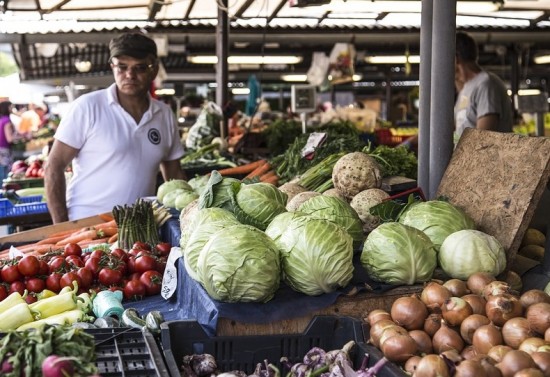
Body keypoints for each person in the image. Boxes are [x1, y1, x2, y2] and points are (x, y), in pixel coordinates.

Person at [44, 32, 186, 223]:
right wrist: (61, 226)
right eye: (121, 67)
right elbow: (54, 165)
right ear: (112, 66)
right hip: (86, 226)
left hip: (141, 228)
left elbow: (174, 174)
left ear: (154, 69)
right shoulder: (87, 107)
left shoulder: (164, 115)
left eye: (140, 68)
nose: (130, 75)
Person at [454, 31, 513, 142]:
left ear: (456, 58)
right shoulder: (466, 88)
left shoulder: (486, 84)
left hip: (486, 159)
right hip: (466, 158)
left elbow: (483, 139)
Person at [0, 101, 27, 181]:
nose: (13, 109)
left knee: (3, 170)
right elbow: (9, 138)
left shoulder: (2, 119)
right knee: (6, 172)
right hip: (5, 149)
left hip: (2, 148)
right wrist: (21, 137)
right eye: (11, 107)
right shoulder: (7, 121)